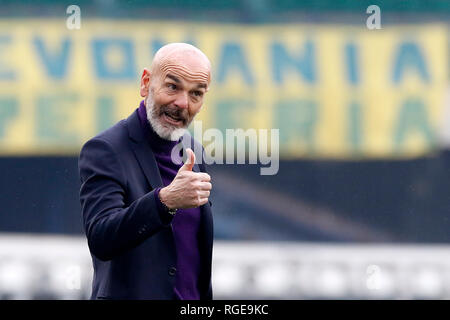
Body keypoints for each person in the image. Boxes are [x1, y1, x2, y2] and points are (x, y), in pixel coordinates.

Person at [78, 43, 214, 300]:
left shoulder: (193, 151)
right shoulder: (105, 149)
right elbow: (101, 238)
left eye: (196, 94)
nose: (182, 103)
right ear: (146, 83)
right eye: (172, 87)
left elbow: (193, 261)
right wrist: (165, 201)